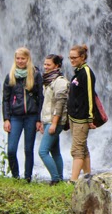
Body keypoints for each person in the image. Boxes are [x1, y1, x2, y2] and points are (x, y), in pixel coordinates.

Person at [2, 47, 43, 182]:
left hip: (31, 116)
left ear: (28, 59)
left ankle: (27, 178)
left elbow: (40, 98)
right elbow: (6, 99)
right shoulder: (10, 76)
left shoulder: (35, 75)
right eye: (18, 58)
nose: (20, 61)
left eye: (23, 58)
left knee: (28, 149)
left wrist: (38, 119)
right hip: (15, 116)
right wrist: (6, 119)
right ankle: (15, 176)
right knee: (11, 149)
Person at [67, 44, 97, 181]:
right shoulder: (78, 72)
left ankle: (73, 181)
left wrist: (90, 118)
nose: (71, 60)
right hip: (74, 117)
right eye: (70, 58)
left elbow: (90, 96)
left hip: (82, 118)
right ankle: (87, 176)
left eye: (74, 57)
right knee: (83, 148)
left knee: (77, 150)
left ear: (82, 57)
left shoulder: (86, 72)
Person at [38, 54, 69, 185]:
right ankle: (60, 178)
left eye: (48, 64)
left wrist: (54, 124)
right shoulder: (48, 81)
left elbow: (59, 104)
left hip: (54, 121)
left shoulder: (60, 82)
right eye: (44, 64)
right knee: (55, 151)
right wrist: (42, 122)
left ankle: (55, 179)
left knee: (42, 151)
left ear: (57, 66)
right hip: (48, 120)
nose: (45, 67)